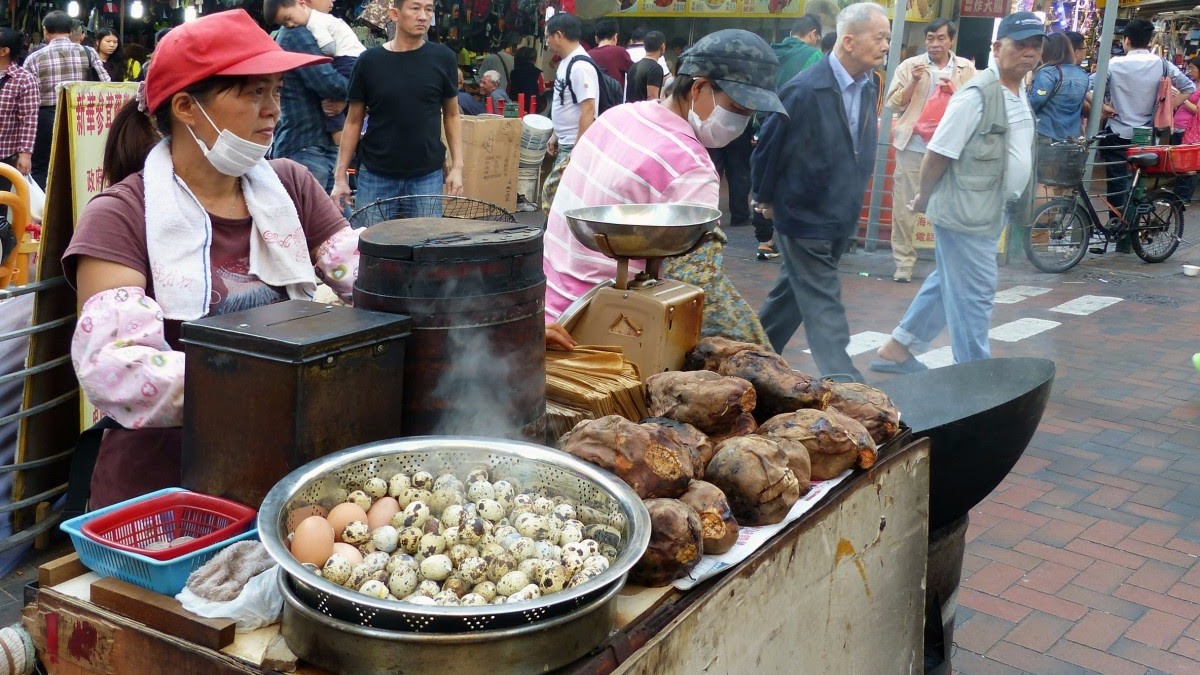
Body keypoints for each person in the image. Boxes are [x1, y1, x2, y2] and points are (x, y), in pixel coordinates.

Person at [62, 9, 360, 508]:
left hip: (275, 475)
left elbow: (359, 270)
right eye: (252, 92)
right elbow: (116, 368)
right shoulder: (122, 214)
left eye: (277, 91)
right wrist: (274, 381)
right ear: (185, 106)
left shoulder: (290, 187)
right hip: (162, 490)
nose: (274, 111)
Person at [544, 29, 786, 347]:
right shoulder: (691, 168)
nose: (742, 122)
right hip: (607, 336)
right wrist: (763, 354)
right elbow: (699, 284)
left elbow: (552, 192)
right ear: (699, 88)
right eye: (739, 110)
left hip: (549, 317)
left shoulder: (613, 117)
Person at [870, 13, 1043, 374]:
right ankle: (973, 376)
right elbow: (939, 152)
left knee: (947, 280)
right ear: (997, 48)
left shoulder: (1019, 88)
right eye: (1020, 45)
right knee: (974, 296)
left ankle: (897, 350)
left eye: (1035, 46)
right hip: (967, 212)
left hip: (992, 207)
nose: (1028, 53)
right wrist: (923, 196)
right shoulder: (977, 93)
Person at [751, 3, 890, 382]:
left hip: (838, 214)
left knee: (792, 297)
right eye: (879, 37)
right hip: (804, 214)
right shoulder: (805, 88)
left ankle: (750, 362)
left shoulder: (866, 86)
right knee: (821, 300)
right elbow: (768, 145)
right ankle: (847, 385)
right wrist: (763, 198)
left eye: (888, 39)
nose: (886, 46)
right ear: (848, 40)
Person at [330, 0, 463, 223]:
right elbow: (353, 121)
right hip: (375, 177)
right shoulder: (369, 62)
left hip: (426, 177)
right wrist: (340, 175)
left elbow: (451, 115)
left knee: (425, 250)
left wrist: (457, 166)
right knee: (373, 250)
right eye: (415, 8)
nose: (423, 16)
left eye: (428, 9)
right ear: (394, 14)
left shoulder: (443, 59)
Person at [885, 18, 976, 283]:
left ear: (951, 40)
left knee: (951, 206)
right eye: (930, 38)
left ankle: (949, 264)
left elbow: (975, 105)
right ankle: (903, 264)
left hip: (949, 149)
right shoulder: (909, 66)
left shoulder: (966, 68)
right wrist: (913, 82)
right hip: (913, 146)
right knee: (904, 207)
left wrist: (955, 91)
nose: (935, 43)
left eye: (941, 38)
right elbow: (893, 104)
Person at [1090, 18, 1193, 235]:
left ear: (1126, 40)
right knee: (1139, 181)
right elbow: (1188, 87)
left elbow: (1088, 88)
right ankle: (1136, 226)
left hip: (1117, 131)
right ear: (1149, 40)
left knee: (1116, 182)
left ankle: (1117, 226)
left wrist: (1104, 107)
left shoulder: (1114, 64)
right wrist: (1164, 110)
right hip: (1146, 134)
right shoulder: (1162, 64)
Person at [24, 10, 110, 188]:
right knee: (79, 163)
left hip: (46, 117)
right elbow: (106, 84)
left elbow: (28, 96)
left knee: (42, 167)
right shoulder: (88, 53)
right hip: (81, 114)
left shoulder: (34, 58)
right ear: (71, 30)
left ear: (45, 30)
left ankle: (43, 212)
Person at [266, 0, 366, 147]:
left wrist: (349, 98)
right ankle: (344, 145)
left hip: (310, 145)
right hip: (308, 146)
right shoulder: (297, 33)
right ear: (303, 2)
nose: (333, 0)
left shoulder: (315, 25)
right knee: (333, 112)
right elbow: (329, 84)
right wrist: (361, 92)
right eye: (286, 21)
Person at [273, 11, 350, 192]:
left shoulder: (313, 30)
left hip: (318, 146)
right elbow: (329, 84)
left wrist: (346, 100)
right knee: (308, 218)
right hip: (305, 146)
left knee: (338, 218)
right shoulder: (296, 34)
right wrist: (361, 89)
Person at [541, 13, 597, 212]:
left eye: (547, 36)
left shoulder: (580, 66)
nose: (546, 42)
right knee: (557, 200)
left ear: (558, 35)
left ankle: (553, 236)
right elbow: (565, 103)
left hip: (573, 146)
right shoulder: (565, 62)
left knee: (552, 197)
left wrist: (578, 150)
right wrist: (555, 134)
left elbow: (588, 109)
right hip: (565, 143)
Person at [1029, 32, 1087, 143]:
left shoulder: (1048, 73)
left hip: (1046, 132)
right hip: (1071, 136)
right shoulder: (1082, 75)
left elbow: (1036, 100)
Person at [0, 28, 37, 194]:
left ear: (4, 51)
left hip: (5, 151)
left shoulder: (24, 79)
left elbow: (28, 119)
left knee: (2, 200)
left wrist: (25, 154)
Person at [1170, 57, 1200, 201]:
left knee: (1188, 165)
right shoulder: (1193, 84)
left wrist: (1183, 98)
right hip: (1178, 127)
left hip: (1189, 131)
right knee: (1178, 164)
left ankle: (1183, 197)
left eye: (1193, 68)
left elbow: (1197, 110)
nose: (1190, 71)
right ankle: (1177, 195)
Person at [771, 15, 822, 87]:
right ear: (813, 34)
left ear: (791, 33)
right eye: (817, 38)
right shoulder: (815, 55)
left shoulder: (768, 50)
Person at [588, 18, 633, 92]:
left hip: (594, 99)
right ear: (615, 37)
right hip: (615, 101)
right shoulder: (619, 51)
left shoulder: (588, 54)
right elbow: (634, 72)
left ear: (596, 38)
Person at [625, 30, 664, 102]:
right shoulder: (655, 68)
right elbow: (652, 97)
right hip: (643, 112)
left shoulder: (633, 66)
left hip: (630, 110)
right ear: (662, 46)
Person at [509, 46, 547, 113]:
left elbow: (509, 89)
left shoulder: (513, 73)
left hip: (515, 108)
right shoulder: (538, 73)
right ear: (533, 59)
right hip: (532, 107)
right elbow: (541, 91)